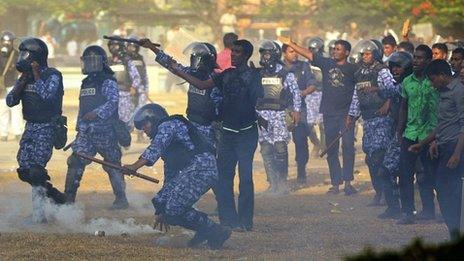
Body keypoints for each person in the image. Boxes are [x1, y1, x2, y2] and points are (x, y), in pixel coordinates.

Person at [146, 38, 263, 231]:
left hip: (236, 134)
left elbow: (251, 101)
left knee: (245, 178)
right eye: (232, 51)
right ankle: (228, 221)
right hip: (225, 133)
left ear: (247, 55)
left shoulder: (251, 76)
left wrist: (259, 115)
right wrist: (153, 49)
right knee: (222, 178)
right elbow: (184, 73)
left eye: (238, 52)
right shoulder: (224, 75)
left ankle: (245, 222)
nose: (233, 54)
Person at [124, 103, 231, 249]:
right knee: (163, 203)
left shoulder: (168, 125)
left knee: (173, 210)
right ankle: (207, 230)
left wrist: (134, 166)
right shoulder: (169, 139)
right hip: (195, 170)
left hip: (201, 168)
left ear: (155, 119)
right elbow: (171, 174)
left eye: (145, 124)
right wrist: (163, 211)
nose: (144, 129)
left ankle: (213, 230)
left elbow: (155, 148)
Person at [280, 37, 358, 195]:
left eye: (338, 49)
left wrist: (354, 113)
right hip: (329, 113)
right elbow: (309, 54)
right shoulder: (327, 63)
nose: (335, 51)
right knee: (331, 149)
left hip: (346, 115)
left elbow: (357, 91)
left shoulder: (353, 69)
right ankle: (336, 184)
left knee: (348, 147)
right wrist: (292, 44)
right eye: (334, 49)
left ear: (347, 52)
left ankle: (348, 183)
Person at [6, 37, 66, 223]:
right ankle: (55, 195)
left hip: (47, 127)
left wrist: (37, 74)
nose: (23, 57)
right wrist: (23, 80)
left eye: (27, 55)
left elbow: (48, 96)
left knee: (36, 171)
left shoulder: (53, 75)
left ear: (37, 57)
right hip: (30, 126)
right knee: (24, 170)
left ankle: (39, 216)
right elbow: (10, 101)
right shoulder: (25, 77)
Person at [64, 46, 129, 209]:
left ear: (102, 62)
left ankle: (121, 199)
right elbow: (82, 107)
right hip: (86, 133)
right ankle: (68, 200)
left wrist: (96, 113)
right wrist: (79, 128)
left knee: (112, 165)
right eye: (87, 61)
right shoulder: (86, 83)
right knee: (75, 161)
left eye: (93, 61)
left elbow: (113, 102)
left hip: (105, 131)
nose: (90, 64)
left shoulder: (108, 80)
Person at [409, 60, 464, 239]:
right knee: (443, 189)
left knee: (450, 191)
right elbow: (443, 124)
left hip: (454, 148)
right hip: (443, 146)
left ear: (442, 76)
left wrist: (457, 153)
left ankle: (455, 232)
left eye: (433, 80)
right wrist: (426, 143)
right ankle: (454, 231)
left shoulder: (458, 92)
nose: (432, 85)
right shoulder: (443, 93)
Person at [142, 41, 219, 146]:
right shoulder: (193, 73)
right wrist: (152, 48)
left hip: (208, 128)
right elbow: (170, 64)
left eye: (195, 59)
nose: (193, 61)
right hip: (192, 123)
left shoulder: (216, 79)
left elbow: (217, 106)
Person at [348, 40, 396, 206]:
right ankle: (379, 191)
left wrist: (387, 103)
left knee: (379, 156)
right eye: (363, 54)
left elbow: (392, 89)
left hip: (382, 119)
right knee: (370, 158)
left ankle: (386, 193)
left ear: (375, 55)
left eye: (367, 54)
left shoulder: (382, 71)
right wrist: (351, 116)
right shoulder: (359, 73)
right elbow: (356, 96)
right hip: (367, 120)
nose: (364, 57)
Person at [396, 45, 438, 224]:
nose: (416, 61)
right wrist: (399, 131)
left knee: (428, 174)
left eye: (420, 58)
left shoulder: (434, 82)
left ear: (428, 61)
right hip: (410, 134)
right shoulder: (407, 82)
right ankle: (407, 212)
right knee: (405, 174)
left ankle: (430, 210)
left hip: (430, 135)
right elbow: (403, 107)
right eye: (415, 57)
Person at [256, 40, 301, 194]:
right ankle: (272, 183)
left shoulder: (285, 73)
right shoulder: (258, 73)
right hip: (262, 116)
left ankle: (282, 183)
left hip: (280, 115)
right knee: (266, 149)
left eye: (267, 53)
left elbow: (295, 93)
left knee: (280, 148)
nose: (265, 56)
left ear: (274, 54)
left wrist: (296, 111)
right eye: (262, 53)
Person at [376, 51, 413, 219]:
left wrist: (376, 85)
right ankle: (398, 208)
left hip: (410, 133)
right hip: (400, 134)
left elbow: (388, 91)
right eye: (393, 67)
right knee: (391, 171)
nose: (395, 70)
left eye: (399, 67)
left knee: (391, 171)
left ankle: (409, 210)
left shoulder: (406, 84)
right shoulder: (401, 83)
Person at [282, 40, 318, 184]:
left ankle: (301, 170)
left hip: (300, 109)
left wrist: (302, 93)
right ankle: (281, 174)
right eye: (291, 51)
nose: (295, 54)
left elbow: (313, 85)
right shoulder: (278, 68)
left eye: (296, 51)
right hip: (282, 109)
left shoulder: (304, 66)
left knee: (301, 140)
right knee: (280, 142)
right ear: (284, 53)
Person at [107, 37, 141, 133]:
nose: (113, 48)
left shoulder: (127, 61)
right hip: (110, 95)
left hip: (125, 95)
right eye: (112, 45)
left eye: (116, 45)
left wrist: (134, 87)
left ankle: (124, 140)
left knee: (124, 120)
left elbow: (136, 77)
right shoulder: (108, 62)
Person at [126, 38, 150, 142]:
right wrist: (131, 88)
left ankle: (140, 135)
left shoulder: (140, 58)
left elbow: (144, 75)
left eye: (135, 46)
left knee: (142, 111)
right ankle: (125, 135)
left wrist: (146, 89)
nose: (133, 48)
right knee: (129, 112)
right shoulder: (125, 59)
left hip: (141, 90)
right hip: (129, 90)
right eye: (131, 46)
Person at [0, 30, 22, 141]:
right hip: (1, 87)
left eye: (9, 41)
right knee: (2, 109)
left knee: (16, 109)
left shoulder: (16, 54)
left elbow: (21, 69)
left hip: (13, 85)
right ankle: (3, 133)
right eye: (4, 41)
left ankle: (18, 132)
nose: (6, 43)